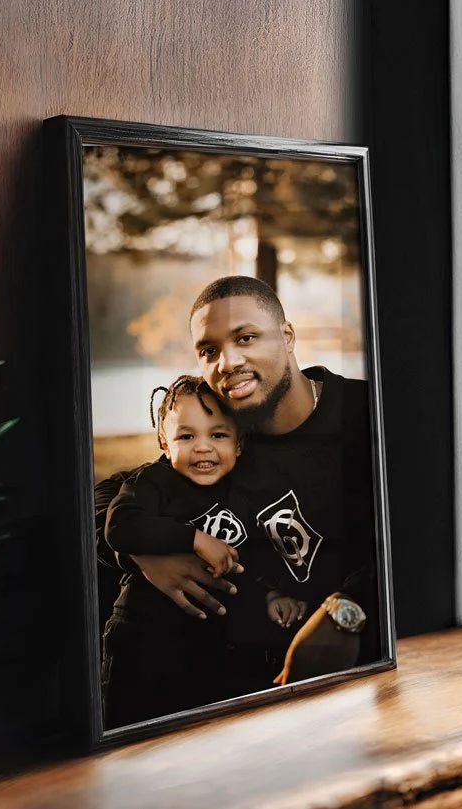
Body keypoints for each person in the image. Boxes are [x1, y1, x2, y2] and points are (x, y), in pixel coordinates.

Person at [125, 276, 382, 686]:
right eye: (209, 350)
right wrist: (147, 554)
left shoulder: (367, 414)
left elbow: (423, 534)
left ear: (287, 337)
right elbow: (117, 493)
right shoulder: (226, 441)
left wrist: (346, 612)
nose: (227, 363)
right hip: (253, 673)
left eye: (245, 338)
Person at [99, 374, 305, 728]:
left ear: (239, 444)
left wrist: (271, 595)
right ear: (165, 442)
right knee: (135, 733)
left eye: (218, 435)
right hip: (145, 637)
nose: (203, 447)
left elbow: (251, 559)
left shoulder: (243, 492)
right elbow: (120, 527)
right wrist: (193, 538)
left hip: (212, 646)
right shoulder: (152, 482)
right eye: (186, 436)